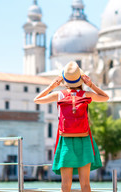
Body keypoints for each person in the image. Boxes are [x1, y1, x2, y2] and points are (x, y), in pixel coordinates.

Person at [34, 61, 109, 192]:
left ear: (64, 79)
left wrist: (52, 85)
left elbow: (37, 99)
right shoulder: (85, 95)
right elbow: (105, 97)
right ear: (81, 79)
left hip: (66, 141)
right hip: (83, 139)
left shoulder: (60, 95)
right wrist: (90, 85)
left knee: (65, 184)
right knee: (85, 184)